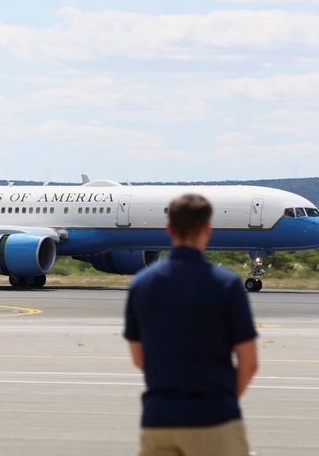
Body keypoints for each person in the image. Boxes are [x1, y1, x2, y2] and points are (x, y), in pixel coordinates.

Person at [123, 194, 259, 456]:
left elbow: (139, 358)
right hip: (212, 417)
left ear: (168, 229)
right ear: (208, 228)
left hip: (158, 420)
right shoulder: (226, 284)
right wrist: (223, 401)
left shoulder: (141, 285)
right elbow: (249, 363)